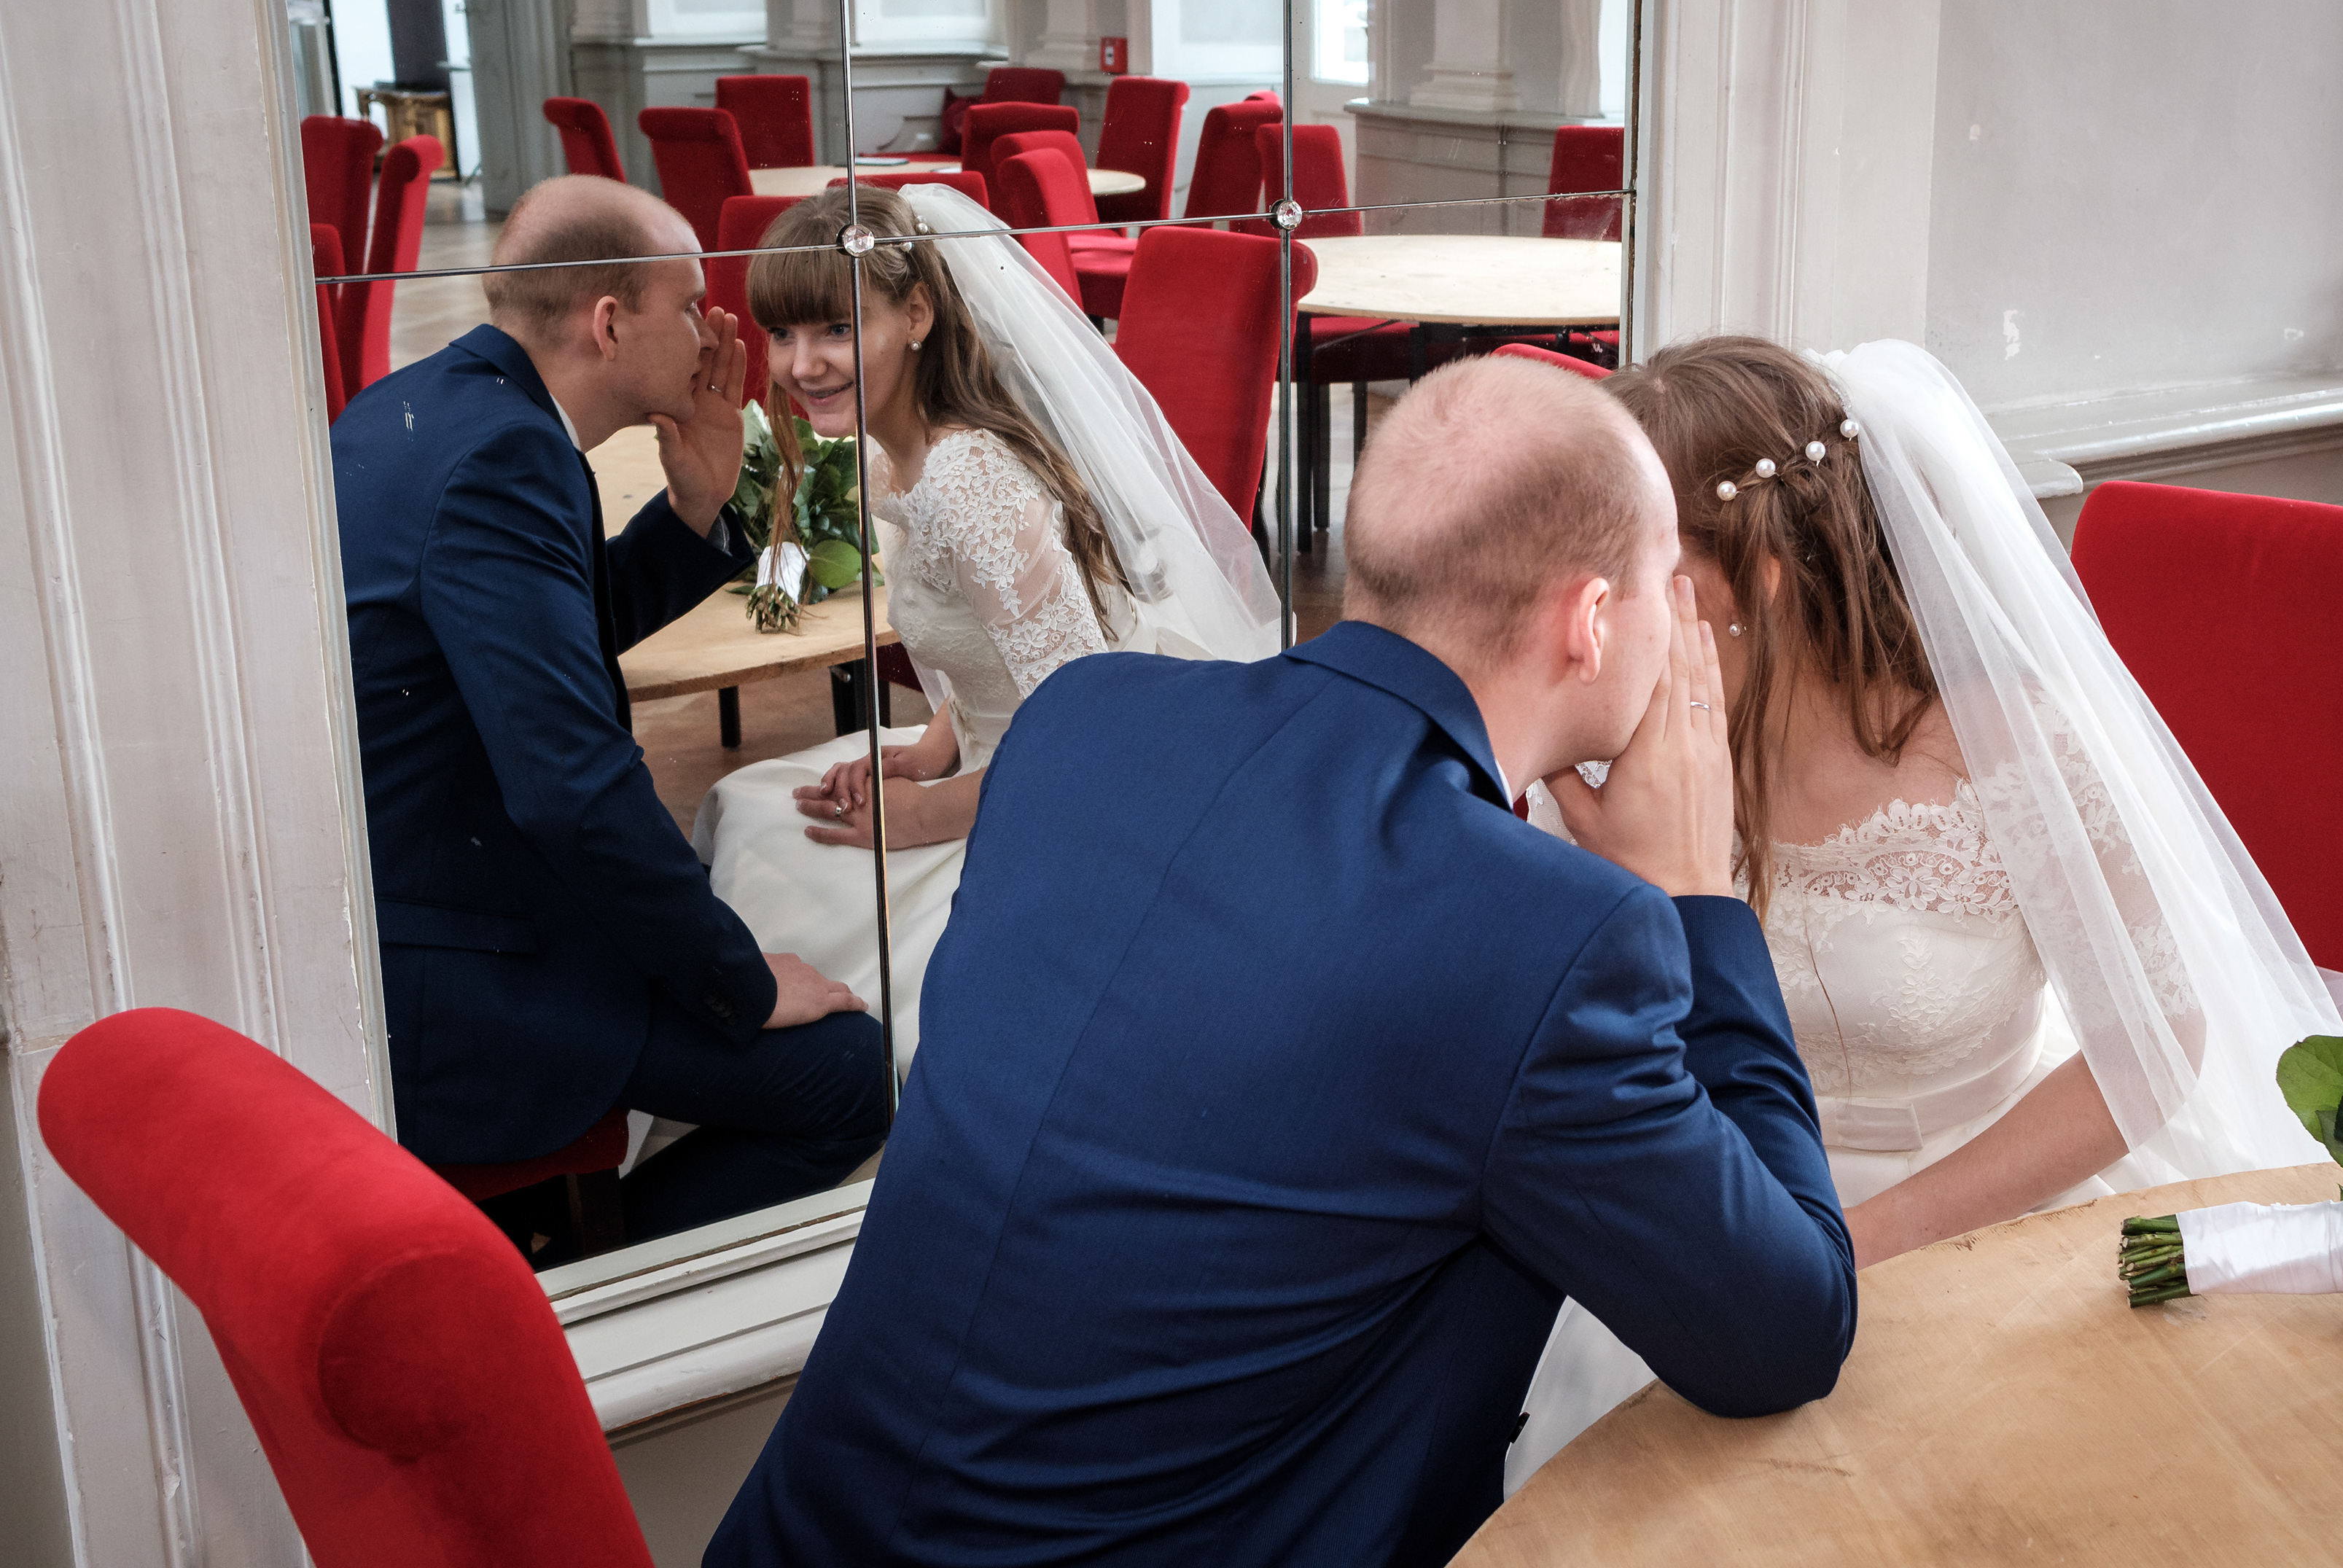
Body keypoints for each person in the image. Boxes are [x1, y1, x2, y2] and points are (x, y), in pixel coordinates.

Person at [704, 356, 1855, 1567]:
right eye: (1666, 585)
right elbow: (1784, 1333)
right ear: (1593, 620)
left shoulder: (1082, 723)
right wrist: (1698, 899)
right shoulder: (1547, 941)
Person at [1505, 334, 2343, 1488]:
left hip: (1995, 1202)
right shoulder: (1607, 749)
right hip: (1714, 1207)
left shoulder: (2007, 750)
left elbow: (2151, 1048)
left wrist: (1856, 1245)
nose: (1601, 610)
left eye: (1639, 566)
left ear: (1763, 579)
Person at [333, 174, 884, 1248]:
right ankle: (571, 1280)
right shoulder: (510, 457)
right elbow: (572, 787)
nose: (712, 333)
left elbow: (538, 653)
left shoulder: (437, 404)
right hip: (462, 970)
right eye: (689, 304)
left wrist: (695, 506)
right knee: (849, 1076)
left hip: (422, 888)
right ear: (609, 323)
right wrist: (737, 984)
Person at [693, 184, 1280, 1063]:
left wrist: (924, 817)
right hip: (1001, 760)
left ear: (917, 314)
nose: (803, 364)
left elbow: (1088, 735)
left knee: (778, 879)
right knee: (755, 816)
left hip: (1072, 799)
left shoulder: (969, 481)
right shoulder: (898, 454)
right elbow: (1000, 641)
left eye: (837, 329)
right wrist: (932, 749)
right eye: (783, 334)